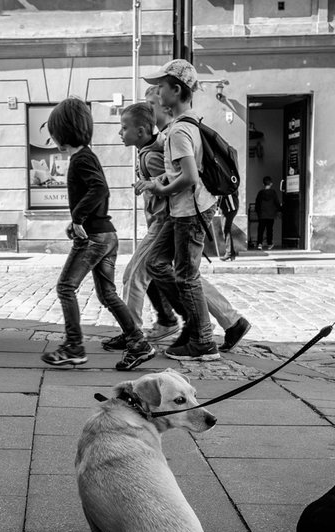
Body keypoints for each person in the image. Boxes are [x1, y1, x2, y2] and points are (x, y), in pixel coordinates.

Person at [40, 97, 156, 371]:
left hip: (93, 237)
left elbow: (100, 189)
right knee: (107, 294)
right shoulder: (86, 156)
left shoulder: (81, 159)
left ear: (61, 134)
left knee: (65, 287)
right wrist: (76, 219)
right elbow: (98, 190)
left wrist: (77, 218)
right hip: (107, 235)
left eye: (54, 132)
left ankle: (73, 346)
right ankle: (138, 342)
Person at [139, 74, 251, 356]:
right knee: (156, 263)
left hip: (189, 212)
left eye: (161, 88)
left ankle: (201, 339)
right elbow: (188, 171)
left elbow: (188, 177)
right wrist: (158, 181)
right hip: (186, 210)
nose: (157, 95)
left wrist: (160, 189)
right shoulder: (186, 125)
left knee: (186, 276)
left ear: (175, 91)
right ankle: (198, 325)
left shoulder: (178, 131)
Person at [112, 100, 182, 348]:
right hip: (164, 223)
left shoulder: (151, 155)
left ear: (140, 132)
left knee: (134, 276)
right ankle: (231, 320)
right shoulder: (151, 150)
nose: (120, 133)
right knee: (182, 279)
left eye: (123, 128)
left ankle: (133, 332)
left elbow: (170, 189)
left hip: (163, 223)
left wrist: (152, 187)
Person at [255, 176, 281, 250]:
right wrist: (279, 210)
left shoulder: (260, 193)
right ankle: (269, 243)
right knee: (269, 229)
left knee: (261, 229)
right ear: (271, 184)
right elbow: (276, 203)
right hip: (271, 215)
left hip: (262, 215)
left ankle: (259, 244)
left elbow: (257, 204)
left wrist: (258, 213)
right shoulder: (273, 193)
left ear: (263, 184)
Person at [218, 194, 238, 261]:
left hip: (229, 209)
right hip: (226, 208)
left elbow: (225, 194)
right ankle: (231, 253)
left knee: (226, 229)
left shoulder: (227, 185)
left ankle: (229, 253)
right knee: (226, 230)